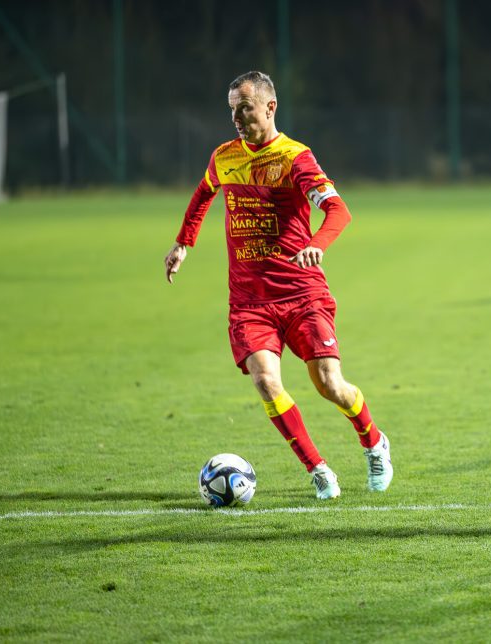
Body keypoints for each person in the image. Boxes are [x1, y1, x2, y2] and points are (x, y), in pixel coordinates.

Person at [163, 71, 393, 500]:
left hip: (302, 294)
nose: (236, 117)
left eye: (244, 108)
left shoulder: (294, 158)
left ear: (270, 107)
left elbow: (338, 211)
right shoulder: (224, 157)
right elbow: (203, 194)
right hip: (249, 301)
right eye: (232, 110)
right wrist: (183, 243)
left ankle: (374, 442)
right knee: (266, 382)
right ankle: (318, 469)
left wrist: (317, 245)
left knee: (329, 384)